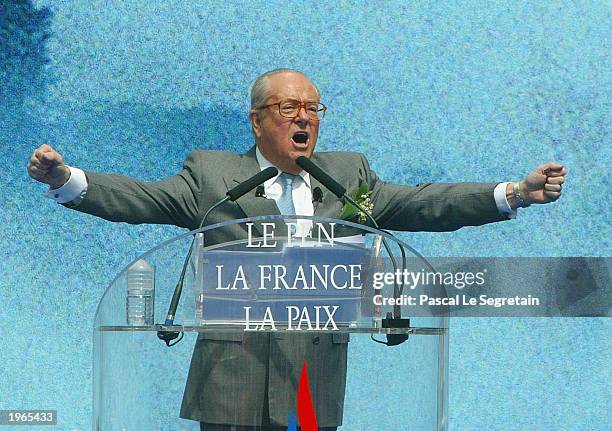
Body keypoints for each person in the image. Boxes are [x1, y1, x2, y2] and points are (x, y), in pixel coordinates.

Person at [27, 68, 566, 430]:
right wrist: (66, 177)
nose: (304, 117)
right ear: (258, 120)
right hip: (232, 375)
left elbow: (424, 204)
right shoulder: (213, 175)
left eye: (313, 108)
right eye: (288, 107)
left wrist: (513, 193)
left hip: (314, 373)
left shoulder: (346, 175)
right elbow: (141, 198)